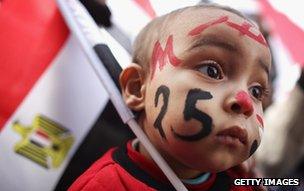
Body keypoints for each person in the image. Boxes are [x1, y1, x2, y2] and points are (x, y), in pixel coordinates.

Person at [69, 3, 271, 191]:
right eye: (211, 70)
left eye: (256, 91)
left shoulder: (245, 181)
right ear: (138, 87)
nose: (245, 102)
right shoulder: (103, 186)